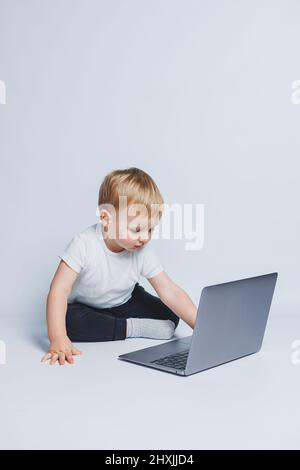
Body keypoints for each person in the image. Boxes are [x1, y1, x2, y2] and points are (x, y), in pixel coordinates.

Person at [41, 167, 197, 365]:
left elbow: (170, 291)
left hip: (125, 300)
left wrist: (201, 326)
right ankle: (131, 328)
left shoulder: (142, 251)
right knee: (69, 322)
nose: (144, 237)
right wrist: (57, 338)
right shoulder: (84, 244)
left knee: (171, 313)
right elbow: (58, 290)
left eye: (150, 229)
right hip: (86, 307)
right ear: (106, 218)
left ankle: (116, 324)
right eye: (137, 229)